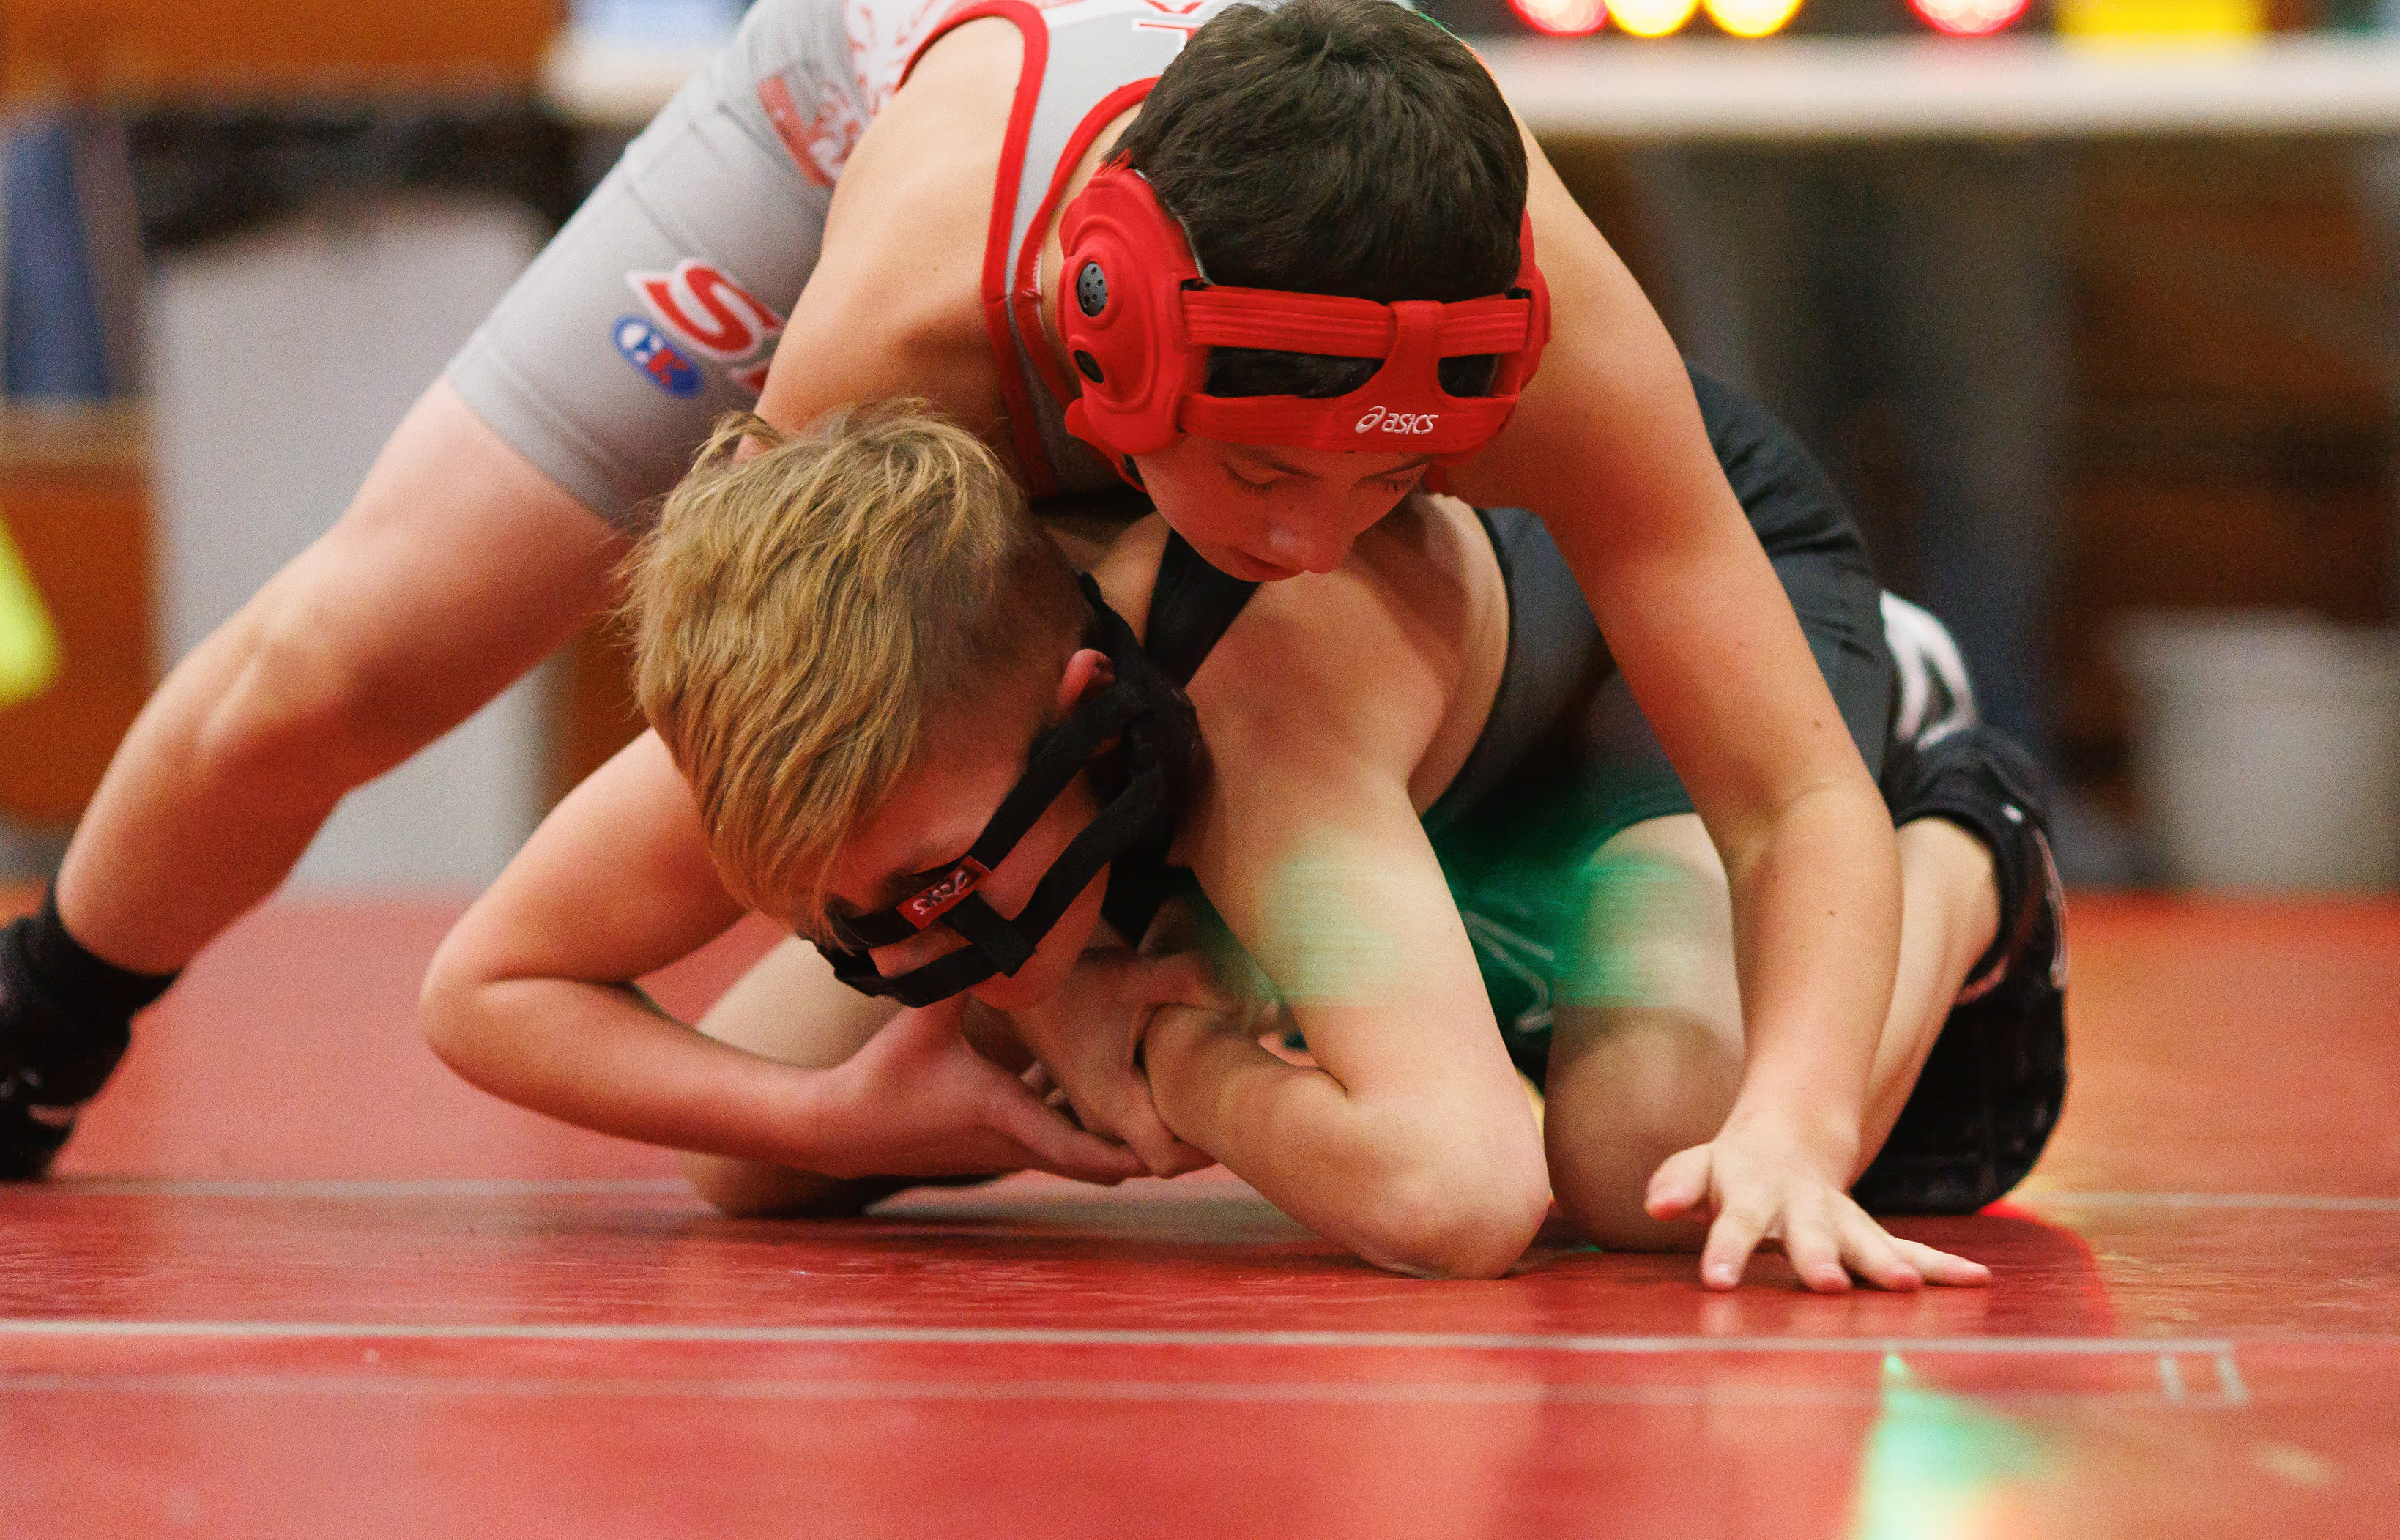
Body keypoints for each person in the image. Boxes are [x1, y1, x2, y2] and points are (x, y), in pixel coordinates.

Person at [0, 0, 1922, 1286]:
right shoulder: (907, 336)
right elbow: (752, 735)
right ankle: (16, 1030)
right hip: (890, 72)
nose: (1312, 535)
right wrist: (1009, 1017)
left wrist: (1802, 1122)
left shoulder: (1535, 321)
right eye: (1262, 472)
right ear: (1119, 349)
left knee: (1186, 731)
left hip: (1292, 136)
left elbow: (1795, 787)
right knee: (356, 646)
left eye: (1389, 478)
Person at [423, 403, 2065, 1286]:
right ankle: (1437, 967)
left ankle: (1961, 843)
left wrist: (1176, 1057)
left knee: (1637, 1163)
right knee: (754, 1163)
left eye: (932, 890)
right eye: (837, 919)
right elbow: (484, 989)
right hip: (1376, 769)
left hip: (1638, 682)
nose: (906, 954)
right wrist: (836, 1112)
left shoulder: (1255, 694)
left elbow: (1466, 1196)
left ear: (1083, 717)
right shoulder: (807, 695)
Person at [1634, 0, 2186, 767]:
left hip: (1966, 50)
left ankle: (1992, 788)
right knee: (1759, 452)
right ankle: (1783, 786)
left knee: (1984, 466)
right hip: (1721, 36)